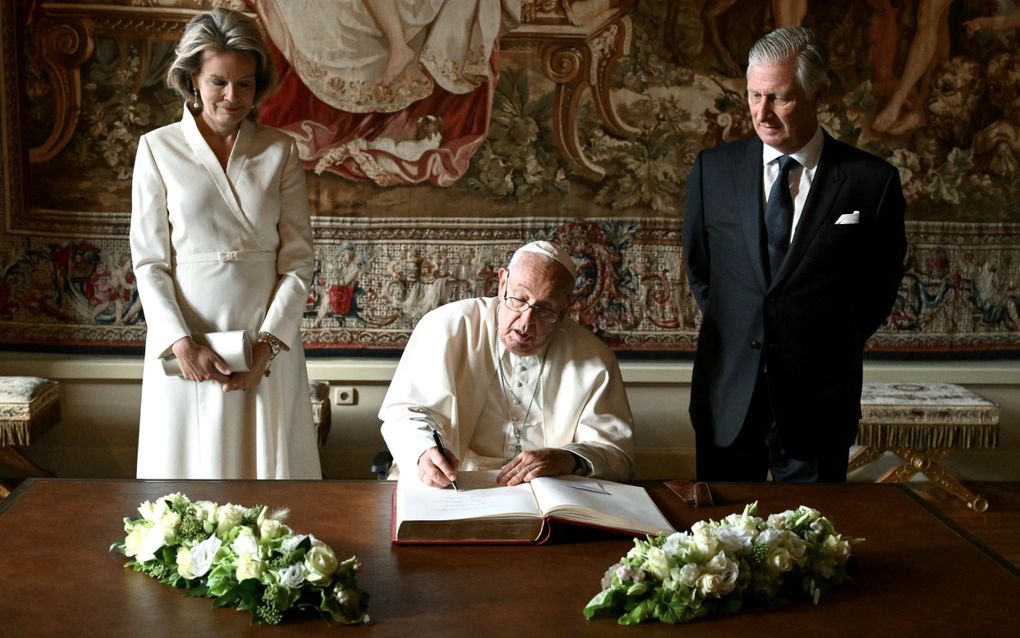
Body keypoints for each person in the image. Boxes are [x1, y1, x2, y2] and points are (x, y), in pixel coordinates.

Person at [682, 27, 907, 483]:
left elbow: (877, 290)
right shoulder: (713, 171)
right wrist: (750, 324)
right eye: (754, 96)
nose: (762, 113)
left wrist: (816, 338)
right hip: (727, 397)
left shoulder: (871, 181)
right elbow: (701, 269)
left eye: (779, 98)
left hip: (818, 401)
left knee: (812, 547)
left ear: (817, 94)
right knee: (716, 547)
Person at [130, 8, 321, 479]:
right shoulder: (157, 148)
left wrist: (265, 350)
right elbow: (149, 262)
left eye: (246, 83)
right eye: (219, 82)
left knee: (270, 488)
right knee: (186, 490)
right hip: (186, 344)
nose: (233, 97)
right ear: (192, 79)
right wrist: (180, 344)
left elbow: (298, 262)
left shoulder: (279, 149)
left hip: (265, 342)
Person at [379, 241, 634, 487]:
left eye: (545, 309)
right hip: (455, 487)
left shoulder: (594, 358)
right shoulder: (446, 327)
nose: (525, 323)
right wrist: (424, 449)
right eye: (519, 300)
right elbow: (405, 412)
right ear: (502, 283)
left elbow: (616, 453)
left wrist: (567, 458)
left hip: (544, 494)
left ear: (566, 308)